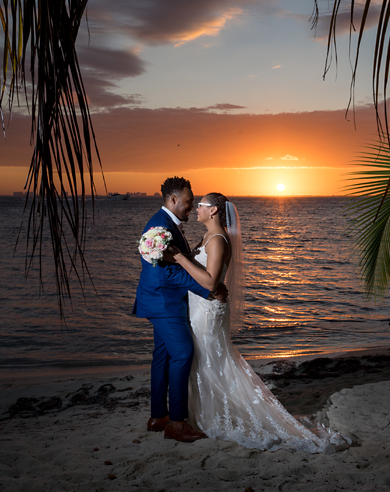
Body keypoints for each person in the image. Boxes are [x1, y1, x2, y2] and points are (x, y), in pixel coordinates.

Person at [171, 192, 350, 453]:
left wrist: (179, 257)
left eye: (201, 205)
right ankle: (202, 412)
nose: (196, 208)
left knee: (213, 360)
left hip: (208, 311)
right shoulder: (208, 236)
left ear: (213, 211)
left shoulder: (219, 239)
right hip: (201, 307)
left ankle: (218, 415)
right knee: (205, 360)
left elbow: (211, 282)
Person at [133, 177, 227, 443]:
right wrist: (209, 290)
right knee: (184, 353)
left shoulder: (165, 225)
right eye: (188, 202)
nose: (191, 206)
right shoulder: (160, 227)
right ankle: (176, 422)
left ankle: (157, 417)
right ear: (172, 199)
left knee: (162, 357)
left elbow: (177, 266)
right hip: (165, 302)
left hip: (160, 300)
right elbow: (172, 273)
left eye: (194, 203)